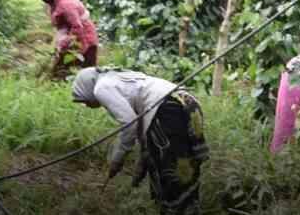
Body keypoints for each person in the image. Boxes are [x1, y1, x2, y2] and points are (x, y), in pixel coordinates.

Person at [72, 67, 209, 215]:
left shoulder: (101, 88)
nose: (86, 105)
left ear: (87, 87)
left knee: (170, 174)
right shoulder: (116, 77)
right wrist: (140, 168)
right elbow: (142, 130)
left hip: (167, 110)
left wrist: (117, 159)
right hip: (187, 102)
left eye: (83, 100)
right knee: (185, 168)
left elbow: (129, 124)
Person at [36, 0, 99, 78]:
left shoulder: (66, 5)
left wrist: (64, 45)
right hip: (73, 36)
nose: (42, 0)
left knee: (88, 73)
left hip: (85, 37)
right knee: (61, 70)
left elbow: (77, 28)